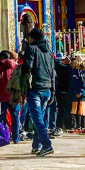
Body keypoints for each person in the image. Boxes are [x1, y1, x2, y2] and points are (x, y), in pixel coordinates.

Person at [20, 27, 55, 156]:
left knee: (37, 118)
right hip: (47, 88)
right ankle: (37, 144)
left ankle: (46, 145)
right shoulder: (48, 51)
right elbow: (52, 72)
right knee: (40, 118)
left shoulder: (32, 49)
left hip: (35, 88)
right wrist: (53, 90)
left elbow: (27, 67)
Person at [0, 50, 20, 144]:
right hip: (14, 95)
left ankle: (4, 137)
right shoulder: (16, 66)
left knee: (1, 117)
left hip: (2, 96)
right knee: (15, 117)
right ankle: (16, 138)